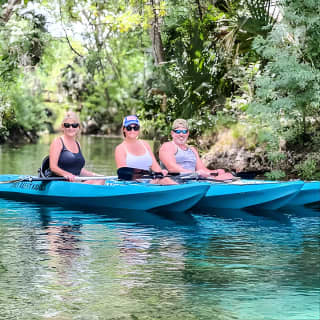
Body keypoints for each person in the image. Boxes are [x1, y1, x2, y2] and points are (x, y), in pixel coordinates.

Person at [159, 118, 234, 181]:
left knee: (228, 175)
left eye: (184, 131)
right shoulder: (167, 146)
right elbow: (172, 168)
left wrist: (216, 172)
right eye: (178, 131)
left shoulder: (192, 149)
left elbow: (202, 170)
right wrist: (196, 173)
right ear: (172, 133)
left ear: (188, 133)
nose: (181, 134)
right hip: (176, 182)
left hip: (194, 181)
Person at [115, 115, 176, 185]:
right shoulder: (120, 148)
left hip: (148, 181)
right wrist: (150, 175)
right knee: (164, 180)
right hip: (130, 184)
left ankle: (180, 189)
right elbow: (123, 173)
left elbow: (155, 166)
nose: (132, 130)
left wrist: (160, 173)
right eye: (129, 128)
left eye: (135, 128)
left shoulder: (145, 145)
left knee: (165, 179)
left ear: (139, 129)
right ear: (124, 129)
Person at [49, 111, 104, 184]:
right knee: (95, 182)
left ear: (78, 127)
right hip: (60, 183)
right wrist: (66, 174)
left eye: (74, 125)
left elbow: (79, 170)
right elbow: (53, 167)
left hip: (75, 183)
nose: (71, 128)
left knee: (101, 179)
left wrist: (95, 175)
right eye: (67, 125)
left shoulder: (77, 144)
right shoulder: (58, 142)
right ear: (63, 127)